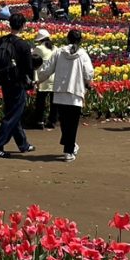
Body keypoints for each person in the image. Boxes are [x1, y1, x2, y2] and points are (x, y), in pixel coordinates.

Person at [35, 28, 93, 161]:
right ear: (80, 40)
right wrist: (88, 83)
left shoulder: (59, 52)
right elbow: (88, 72)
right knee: (72, 123)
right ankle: (68, 151)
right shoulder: (82, 54)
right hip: (75, 92)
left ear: (67, 39)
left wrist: (38, 80)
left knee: (65, 123)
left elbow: (47, 69)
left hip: (60, 92)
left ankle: (70, 145)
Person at [0, 13, 36, 158]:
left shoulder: (1, 41)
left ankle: (23, 144)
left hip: (4, 81)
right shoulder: (23, 44)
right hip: (17, 82)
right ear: (23, 26)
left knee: (13, 113)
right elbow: (29, 67)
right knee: (13, 115)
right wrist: (31, 82)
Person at [30, 29, 58, 129]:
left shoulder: (39, 48)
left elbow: (32, 60)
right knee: (53, 101)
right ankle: (52, 121)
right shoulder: (55, 48)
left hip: (43, 77)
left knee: (41, 101)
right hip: (54, 77)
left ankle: (39, 121)